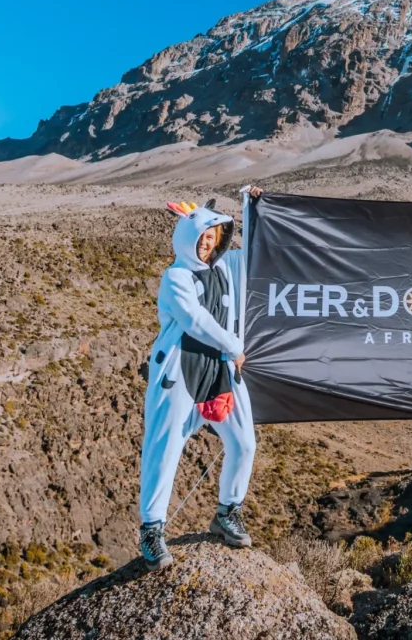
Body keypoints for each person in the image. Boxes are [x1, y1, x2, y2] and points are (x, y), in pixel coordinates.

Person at [137, 188, 262, 572]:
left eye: (213, 238)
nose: (207, 245)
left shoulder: (226, 268)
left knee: (243, 443)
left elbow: (258, 251)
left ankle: (228, 511)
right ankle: (152, 529)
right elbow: (194, 320)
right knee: (165, 448)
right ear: (188, 240)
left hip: (222, 371)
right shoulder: (174, 276)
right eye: (202, 239)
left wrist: (253, 206)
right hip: (181, 370)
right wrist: (233, 345)